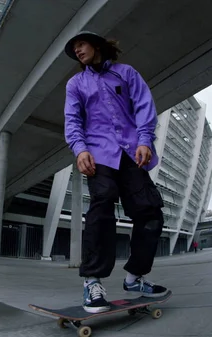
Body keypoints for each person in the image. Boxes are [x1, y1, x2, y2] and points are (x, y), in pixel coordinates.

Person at [63, 31, 168, 314]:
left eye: (81, 44)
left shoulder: (126, 73)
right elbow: (72, 120)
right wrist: (79, 149)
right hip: (98, 154)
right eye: (74, 48)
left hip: (131, 152)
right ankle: (92, 281)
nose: (77, 50)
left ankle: (135, 277)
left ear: (96, 45)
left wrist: (145, 139)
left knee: (150, 212)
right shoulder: (76, 84)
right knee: (102, 207)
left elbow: (144, 106)